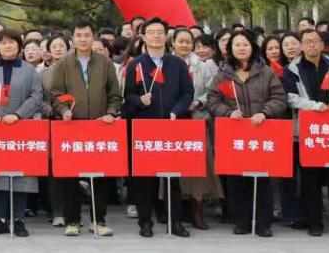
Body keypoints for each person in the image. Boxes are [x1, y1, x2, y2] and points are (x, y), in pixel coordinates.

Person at [204, 29, 288, 237]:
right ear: (230, 49)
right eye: (237, 45)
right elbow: (212, 101)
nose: (241, 48)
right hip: (234, 132)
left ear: (253, 47)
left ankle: (263, 223)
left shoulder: (266, 72)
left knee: (262, 178)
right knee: (236, 179)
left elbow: (279, 98)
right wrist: (228, 112)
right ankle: (241, 221)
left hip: (261, 131)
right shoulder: (223, 74)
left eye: (245, 44)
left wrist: (265, 112)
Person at [43, 22, 122, 237]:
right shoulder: (64, 64)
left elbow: (115, 95)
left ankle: (98, 220)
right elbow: (56, 95)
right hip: (72, 127)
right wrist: (63, 111)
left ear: (93, 37)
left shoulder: (105, 63)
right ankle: (72, 221)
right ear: (73, 39)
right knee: (70, 176)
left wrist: (111, 112)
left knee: (99, 176)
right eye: (79, 35)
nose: (83, 39)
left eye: (87, 35)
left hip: (99, 125)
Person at [123, 18, 194, 238]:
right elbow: (128, 95)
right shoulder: (136, 64)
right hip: (145, 127)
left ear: (166, 36)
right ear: (143, 37)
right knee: (145, 179)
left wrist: (177, 110)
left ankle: (176, 222)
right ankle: (145, 221)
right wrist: (139, 100)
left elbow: (187, 92)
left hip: (171, 126)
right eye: (151, 32)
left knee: (173, 178)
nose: (156, 36)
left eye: (160, 32)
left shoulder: (177, 64)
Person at [283, 28, 329, 236]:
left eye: (315, 41)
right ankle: (314, 222)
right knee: (310, 178)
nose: (312, 45)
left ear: (323, 45)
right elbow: (290, 97)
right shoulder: (292, 69)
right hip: (307, 130)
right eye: (307, 42)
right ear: (301, 46)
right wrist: (314, 106)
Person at [0, 31, 44, 237]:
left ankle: (19, 219)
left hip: (21, 128)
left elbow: (36, 96)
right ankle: (0, 220)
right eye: (3, 43)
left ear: (19, 46)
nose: (7, 46)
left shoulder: (29, 70)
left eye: (12, 42)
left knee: (22, 175)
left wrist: (18, 114)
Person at [175, 29, 220, 231]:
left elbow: (212, 92)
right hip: (174, 122)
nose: (184, 45)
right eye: (180, 41)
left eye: (188, 42)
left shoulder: (202, 66)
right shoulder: (166, 64)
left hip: (196, 120)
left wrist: (198, 102)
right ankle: (176, 212)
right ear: (173, 43)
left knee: (199, 170)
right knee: (176, 170)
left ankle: (197, 212)